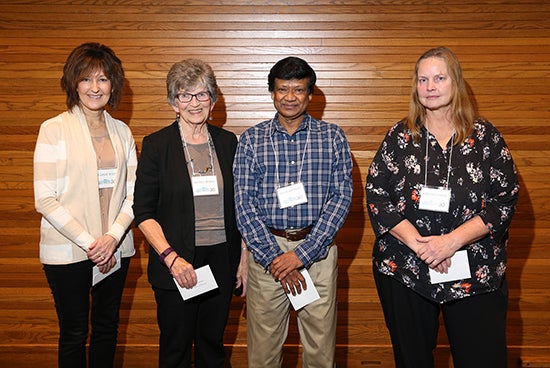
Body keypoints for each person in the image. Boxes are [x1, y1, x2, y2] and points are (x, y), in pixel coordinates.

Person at [366, 46, 519, 368]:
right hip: (405, 268)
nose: (430, 87)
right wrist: (420, 245)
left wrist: (450, 242)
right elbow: (377, 195)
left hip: (475, 271)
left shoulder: (486, 137)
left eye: (439, 78)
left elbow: (503, 200)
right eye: (423, 80)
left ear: (456, 82)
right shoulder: (399, 136)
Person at [233, 56, 353, 368]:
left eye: (298, 90)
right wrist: (275, 258)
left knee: (320, 348)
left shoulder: (333, 137)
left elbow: (341, 198)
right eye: (282, 89)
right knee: (264, 350)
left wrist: (302, 255)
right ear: (271, 93)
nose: (290, 97)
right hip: (266, 256)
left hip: (318, 251)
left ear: (310, 95)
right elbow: (244, 204)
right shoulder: (251, 140)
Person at [132, 58, 247, 368]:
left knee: (212, 347)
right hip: (177, 261)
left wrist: (242, 259)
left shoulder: (227, 143)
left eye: (202, 94)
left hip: (221, 259)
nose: (194, 103)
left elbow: (240, 204)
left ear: (212, 99)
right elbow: (142, 211)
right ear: (174, 102)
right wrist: (171, 257)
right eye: (185, 95)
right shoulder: (157, 145)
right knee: (176, 348)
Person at [33, 42, 136, 367]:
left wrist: (111, 238)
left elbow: (135, 193)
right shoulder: (53, 130)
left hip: (116, 248)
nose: (95, 87)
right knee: (74, 333)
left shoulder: (122, 131)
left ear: (113, 85)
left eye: (103, 79)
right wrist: (92, 243)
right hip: (69, 251)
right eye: (87, 79)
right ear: (73, 83)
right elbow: (45, 198)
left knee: (107, 329)